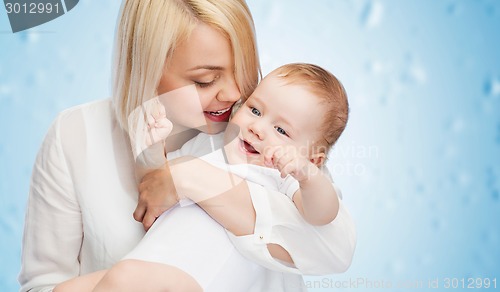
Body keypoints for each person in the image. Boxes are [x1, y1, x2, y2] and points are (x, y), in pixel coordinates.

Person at [19, 0, 356, 291]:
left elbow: (333, 247)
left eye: (244, 70)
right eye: (205, 81)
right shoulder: (75, 134)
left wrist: (191, 178)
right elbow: (152, 185)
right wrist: (155, 154)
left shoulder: (282, 151)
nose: (236, 94)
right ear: (145, 68)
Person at [54, 63, 350, 291]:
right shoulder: (209, 147)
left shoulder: (283, 178)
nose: (258, 128)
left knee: (124, 277)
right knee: (68, 288)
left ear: (313, 157)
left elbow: (322, 215)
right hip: (153, 259)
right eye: (255, 110)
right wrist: (153, 149)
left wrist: (309, 176)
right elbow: (155, 187)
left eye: (282, 131)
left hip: (196, 277)